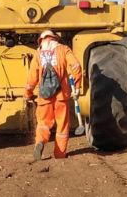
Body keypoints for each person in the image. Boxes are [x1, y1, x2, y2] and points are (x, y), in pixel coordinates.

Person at [24, 30, 83, 160]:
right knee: (62, 126)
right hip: (62, 97)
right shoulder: (63, 49)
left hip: (45, 97)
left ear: (41, 40)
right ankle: (60, 154)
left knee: (43, 123)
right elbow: (76, 66)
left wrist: (27, 93)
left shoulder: (38, 53)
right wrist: (77, 86)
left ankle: (40, 142)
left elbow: (32, 77)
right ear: (55, 38)